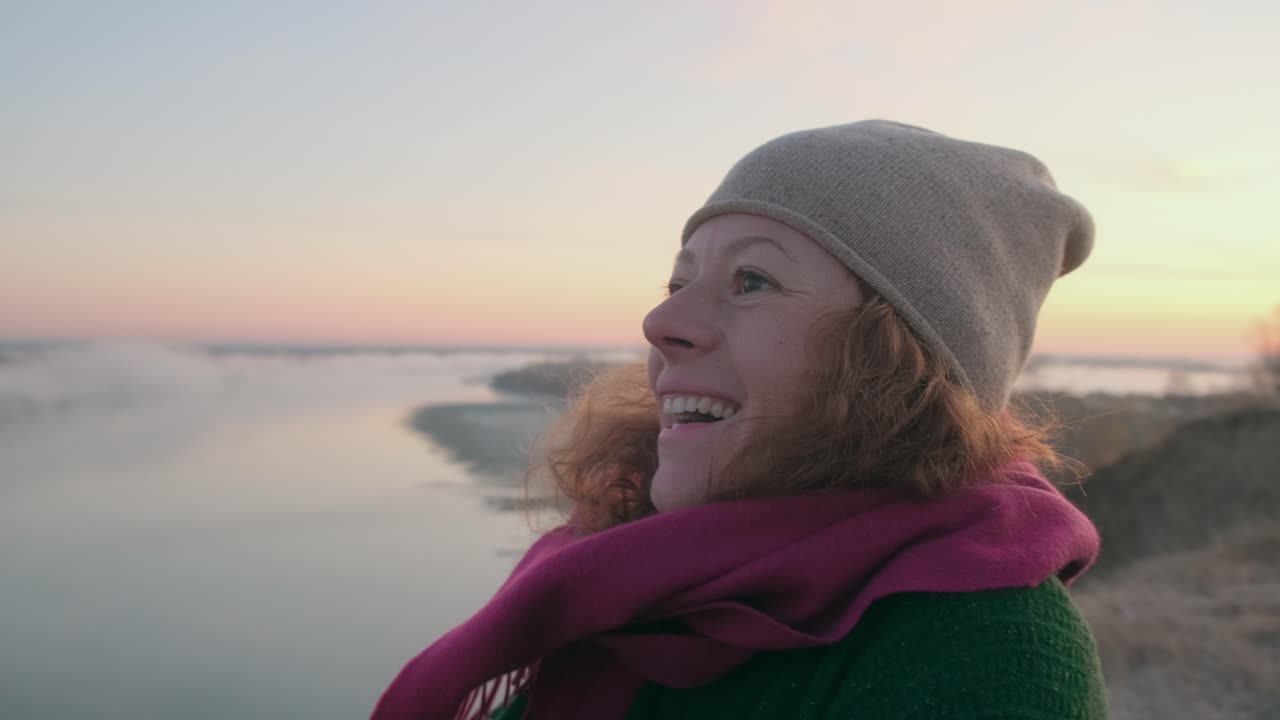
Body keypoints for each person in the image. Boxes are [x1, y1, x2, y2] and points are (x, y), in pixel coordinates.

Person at [373, 120, 1108, 719]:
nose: (662, 321)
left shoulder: (980, 643)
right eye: (678, 280)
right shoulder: (627, 579)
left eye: (752, 280)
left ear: (897, 362)